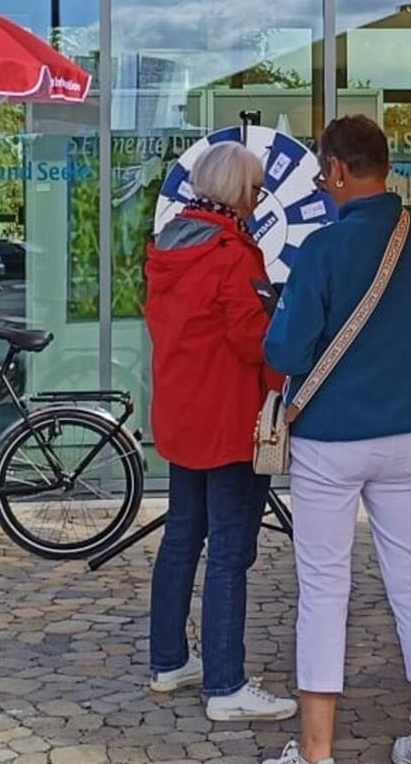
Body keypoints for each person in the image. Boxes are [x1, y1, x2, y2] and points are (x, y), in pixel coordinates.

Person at [262, 116, 411, 764]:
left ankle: (317, 754)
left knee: (324, 587)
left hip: (330, 437)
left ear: (339, 171)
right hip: (409, 433)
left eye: (323, 173)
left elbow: (287, 349)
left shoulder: (321, 248)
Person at [144, 140, 297, 723]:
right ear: (238, 191)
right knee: (231, 550)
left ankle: (168, 661)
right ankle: (226, 685)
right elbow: (252, 339)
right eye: (255, 189)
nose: (259, 199)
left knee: (183, 536)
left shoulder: (167, 246)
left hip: (182, 416)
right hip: (230, 418)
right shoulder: (233, 253)